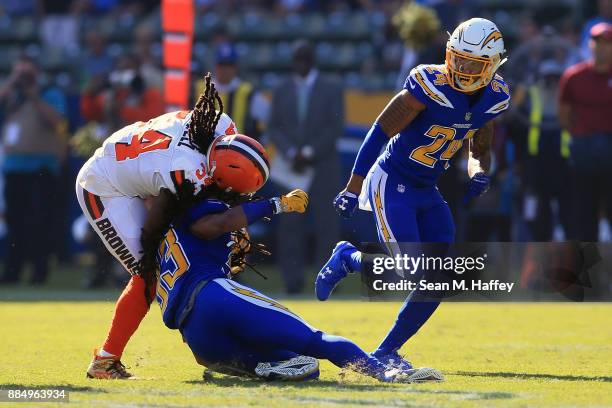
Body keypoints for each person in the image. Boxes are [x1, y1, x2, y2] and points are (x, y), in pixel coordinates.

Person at [151, 133, 443, 383]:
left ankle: (258, 367)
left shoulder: (169, 219)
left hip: (197, 338)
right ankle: (385, 372)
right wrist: (276, 205)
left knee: (304, 365)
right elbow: (211, 225)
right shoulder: (207, 206)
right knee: (316, 342)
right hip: (213, 296)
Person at [315, 18, 511, 368]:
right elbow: (379, 132)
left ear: (493, 65)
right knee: (409, 270)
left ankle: (386, 351)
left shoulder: (494, 97)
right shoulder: (428, 83)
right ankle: (348, 258)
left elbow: (479, 149)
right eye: (458, 58)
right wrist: (352, 186)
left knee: (439, 275)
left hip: (426, 188)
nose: (463, 68)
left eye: (473, 63)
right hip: (392, 181)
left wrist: (479, 172)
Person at [76, 73, 238, 379]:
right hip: (104, 187)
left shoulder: (204, 124)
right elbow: (153, 229)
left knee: (177, 266)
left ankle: (214, 343)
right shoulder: (185, 165)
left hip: (133, 173)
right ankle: (105, 361)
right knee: (151, 274)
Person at [267, 40, 344, 293]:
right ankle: (293, 281)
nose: (300, 64)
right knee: (290, 227)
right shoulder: (281, 89)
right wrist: (291, 152)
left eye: (304, 59)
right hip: (291, 168)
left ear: (311, 61)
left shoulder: (331, 88)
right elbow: (273, 127)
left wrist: (309, 152)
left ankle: (328, 281)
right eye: (296, 59)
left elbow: (335, 127)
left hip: (323, 167)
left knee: (327, 226)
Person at [0, 55, 67, 284]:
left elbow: (57, 121)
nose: (23, 79)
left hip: (42, 167)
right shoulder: (11, 95)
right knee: (14, 221)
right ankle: (12, 271)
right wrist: (11, 84)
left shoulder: (50, 93)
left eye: (27, 74)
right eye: (19, 73)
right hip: (14, 167)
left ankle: (39, 272)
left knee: (40, 221)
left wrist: (34, 95)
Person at [558, 22, 612, 242]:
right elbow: (565, 115)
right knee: (584, 219)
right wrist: (583, 136)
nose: (601, 48)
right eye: (597, 42)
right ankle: (589, 273)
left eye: (607, 43)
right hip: (584, 155)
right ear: (589, 45)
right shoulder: (574, 76)